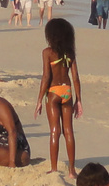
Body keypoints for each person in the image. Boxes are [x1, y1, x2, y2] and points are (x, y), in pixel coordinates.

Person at [35, 18, 82, 177]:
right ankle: (72, 170)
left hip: (53, 91)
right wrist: (79, 100)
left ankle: (54, 168)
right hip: (67, 91)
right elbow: (75, 77)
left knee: (55, 131)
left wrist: (39, 100)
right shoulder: (70, 53)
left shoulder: (47, 52)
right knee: (69, 131)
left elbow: (46, 77)